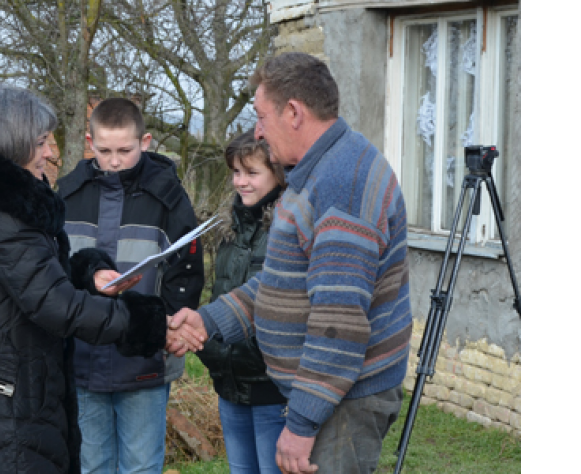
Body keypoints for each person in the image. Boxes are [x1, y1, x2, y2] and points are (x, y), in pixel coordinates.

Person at [168, 52, 413, 474]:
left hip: (343, 405)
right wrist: (210, 320)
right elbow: (285, 281)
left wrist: (301, 423)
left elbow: (338, 324)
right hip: (329, 397)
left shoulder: (341, 185)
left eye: (262, 117)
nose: (258, 132)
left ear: (294, 113)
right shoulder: (314, 173)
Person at [0, 85, 170, 474]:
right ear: (14, 144)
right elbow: (57, 308)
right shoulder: (1, 218)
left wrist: (88, 276)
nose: (49, 152)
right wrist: (148, 322)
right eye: (41, 142)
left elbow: (28, 284)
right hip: (5, 409)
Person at [57, 97, 205, 474]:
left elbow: (185, 271)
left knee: (140, 466)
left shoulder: (168, 197)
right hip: (82, 355)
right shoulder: (67, 194)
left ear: (146, 141)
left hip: (145, 357)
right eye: (104, 150)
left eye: (125, 149)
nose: (115, 160)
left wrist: (171, 328)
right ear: (89, 142)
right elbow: (53, 268)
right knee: (91, 465)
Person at [195, 129, 287, 474]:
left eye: (251, 173)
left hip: (271, 387)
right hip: (230, 382)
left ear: (277, 174)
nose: (241, 182)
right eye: (236, 172)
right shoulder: (229, 230)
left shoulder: (286, 229)